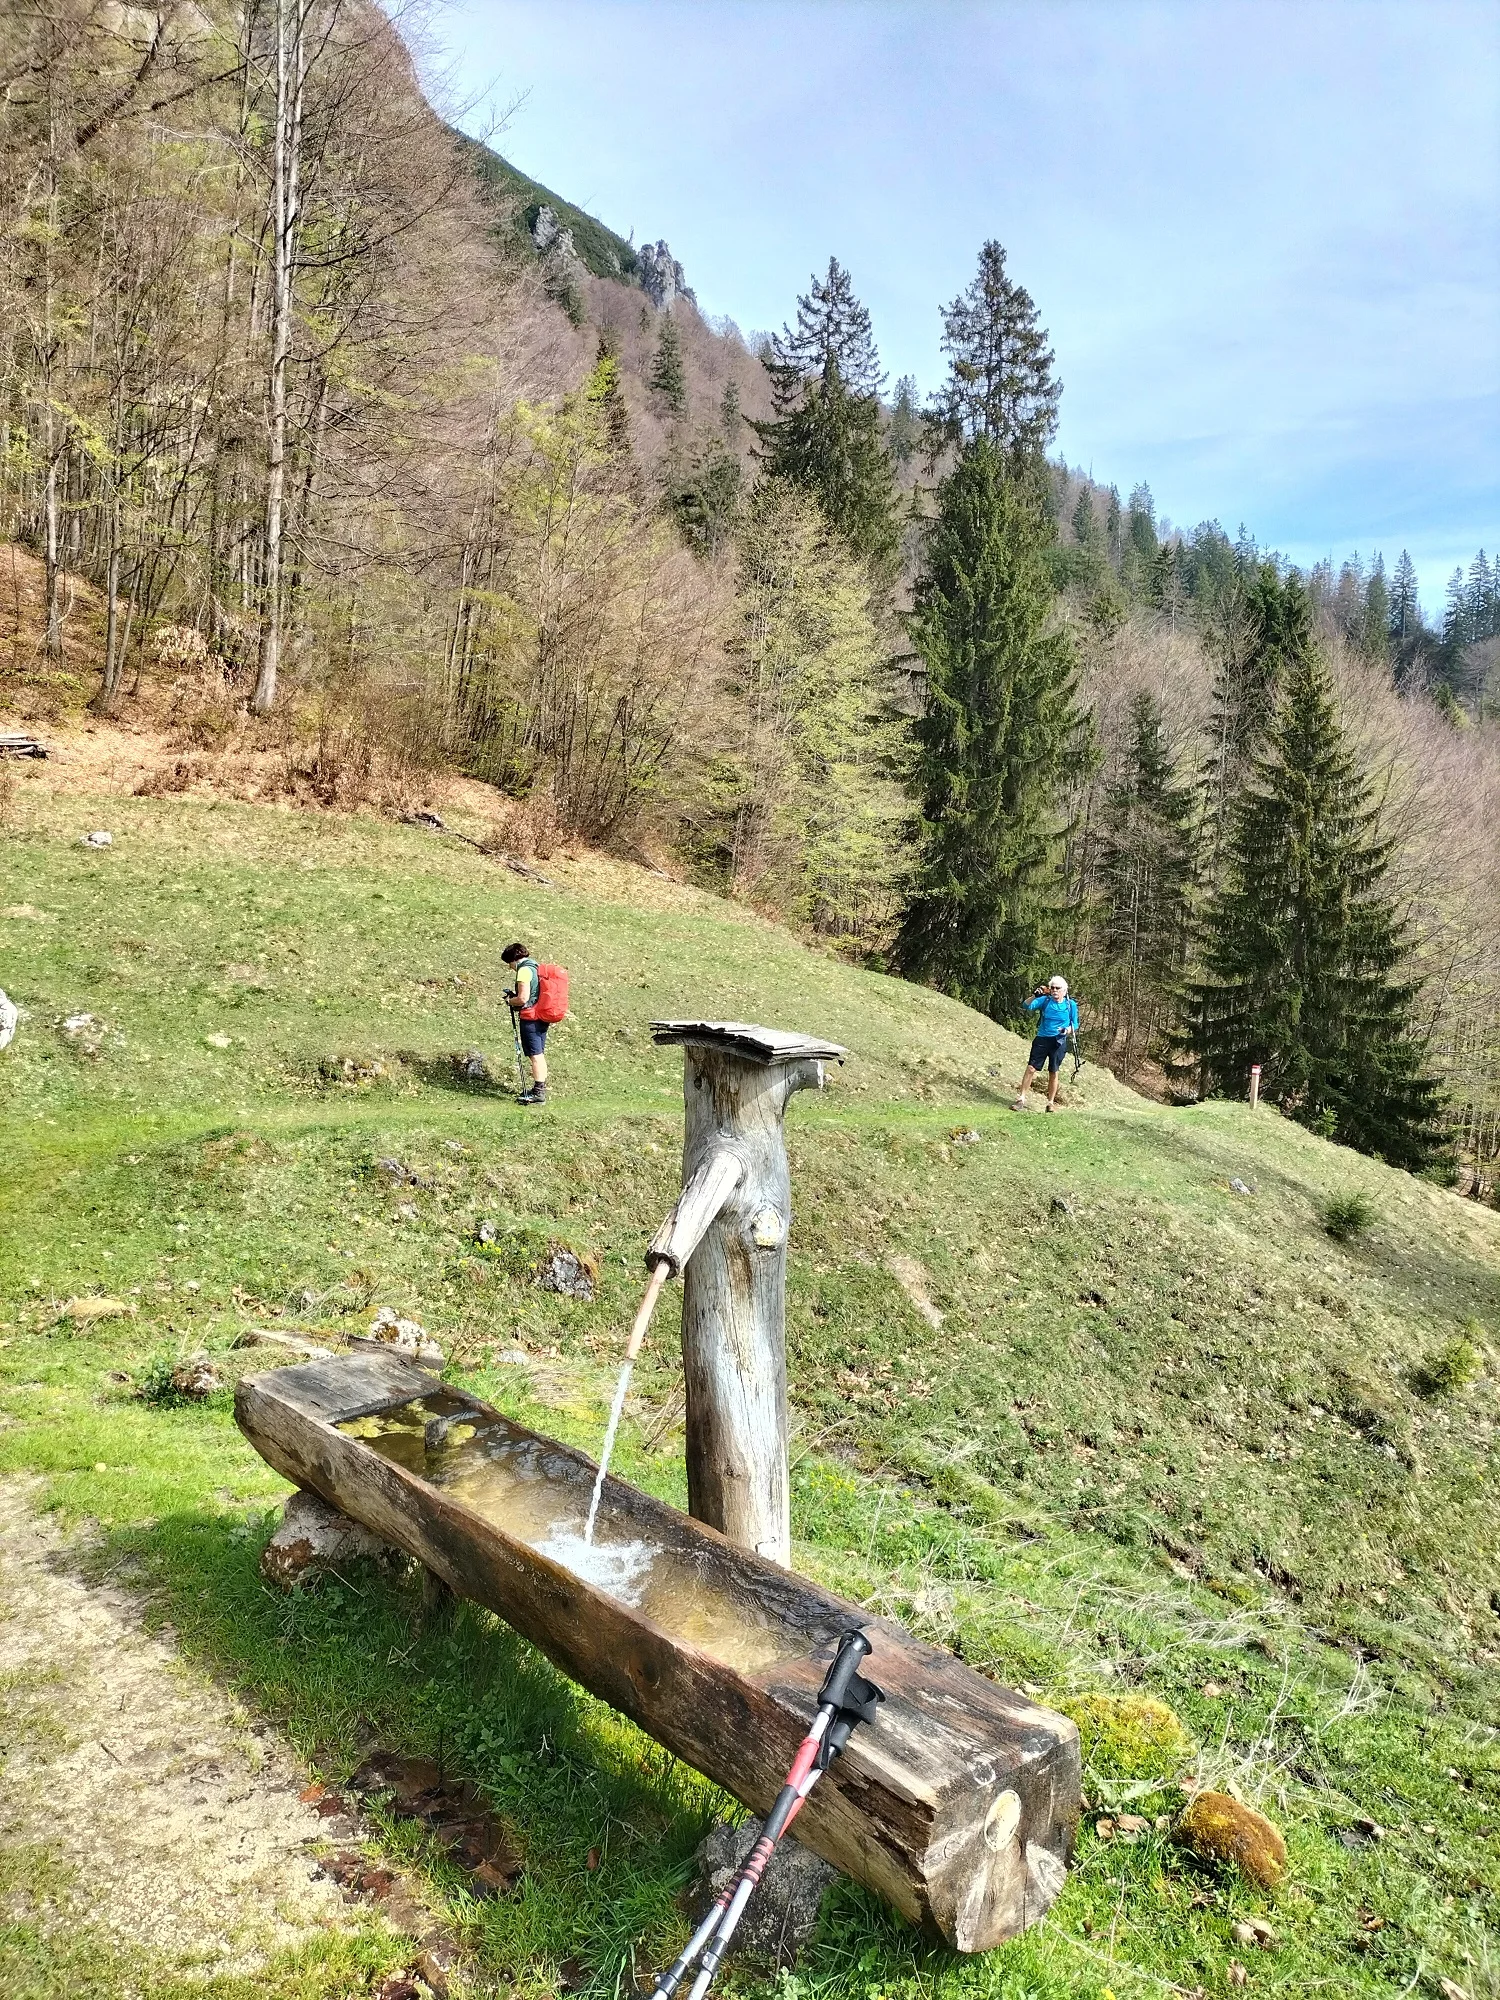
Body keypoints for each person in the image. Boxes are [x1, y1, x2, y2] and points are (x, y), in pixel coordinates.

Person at [1013, 975, 1078, 1113]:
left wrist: (1066, 1030)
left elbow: (1075, 1024)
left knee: (1053, 1072)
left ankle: (1050, 1103)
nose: (1054, 990)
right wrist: (1034, 995)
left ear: (1064, 990)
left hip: (1059, 1041)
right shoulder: (1045, 1001)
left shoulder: (1070, 1005)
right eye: (1052, 988)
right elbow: (1026, 1005)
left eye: (1057, 988)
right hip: (1042, 1039)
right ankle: (1021, 1099)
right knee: (1031, 1068)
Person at [501, 940, 549, 1106]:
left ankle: (538, 1094)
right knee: (539, 1053)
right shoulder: (535, 967)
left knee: (534, 1054)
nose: (509, 967)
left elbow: (523, 998)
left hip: (531, 1018)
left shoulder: (523, 971)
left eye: (509, 963)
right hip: (542, 1015)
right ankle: (539, 1089)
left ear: (514, 959)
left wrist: (510, 1001)